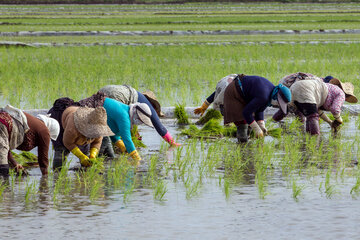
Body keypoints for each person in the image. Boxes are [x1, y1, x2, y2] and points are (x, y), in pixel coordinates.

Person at [49, 92, 155, 169]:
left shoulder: (98, 128)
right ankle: (57, 176)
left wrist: (92, 156)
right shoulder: (73, 128)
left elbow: (97, 142)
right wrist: (80, 156)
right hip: (60, 119)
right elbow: (67, 142)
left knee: (86, 157)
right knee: (61, 152)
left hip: (85, 117)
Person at [99, 85, 180, 147]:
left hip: (102, 91)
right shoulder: (146, 106)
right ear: (153, 105)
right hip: (115, 96)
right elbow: (159, 126)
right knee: (115, 126)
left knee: (104, 124)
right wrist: (172, 143)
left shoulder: (132, 104)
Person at [273, 77, 357, 135]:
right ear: (347, 96)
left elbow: (318, 110)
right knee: (312, 117)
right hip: (307, 89)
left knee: (294, 111)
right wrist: (339, 120)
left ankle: (272, 121)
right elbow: (335, 109)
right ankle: (315, 140)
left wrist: (330, 122)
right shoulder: (341, 94)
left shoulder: (330, 88)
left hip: (295, 86)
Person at [223, 74, 291, 143]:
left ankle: (247, 143)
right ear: (277, 98)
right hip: (234, 93)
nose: (277, 105)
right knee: (243, 124)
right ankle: (242, 145)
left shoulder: (270, 91)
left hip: (244, 96)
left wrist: (261, 125)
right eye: (279, 103)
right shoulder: (264, 96)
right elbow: (246, 112)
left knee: (250, 124)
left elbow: (259, 110)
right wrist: (257, 129)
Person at [0, 105, 60, 177]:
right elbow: (43, 159)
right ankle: (4, 184)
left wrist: (15, 163)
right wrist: (45, 178)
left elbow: (6, 147)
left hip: (4, 122)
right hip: (4, 125)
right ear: (51, 130)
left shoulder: (33, 122)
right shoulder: (44, 131)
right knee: (3, 169)